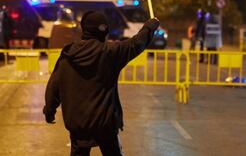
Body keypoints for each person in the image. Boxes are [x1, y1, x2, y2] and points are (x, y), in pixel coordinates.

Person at [43, 11, 159, 156]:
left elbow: (54, 84)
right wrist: (150, 27)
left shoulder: (68, 55)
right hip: (105, 124)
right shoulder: (110, 52)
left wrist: (49, 110)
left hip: (78, 124)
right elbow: (136, 44)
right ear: (104, 30)